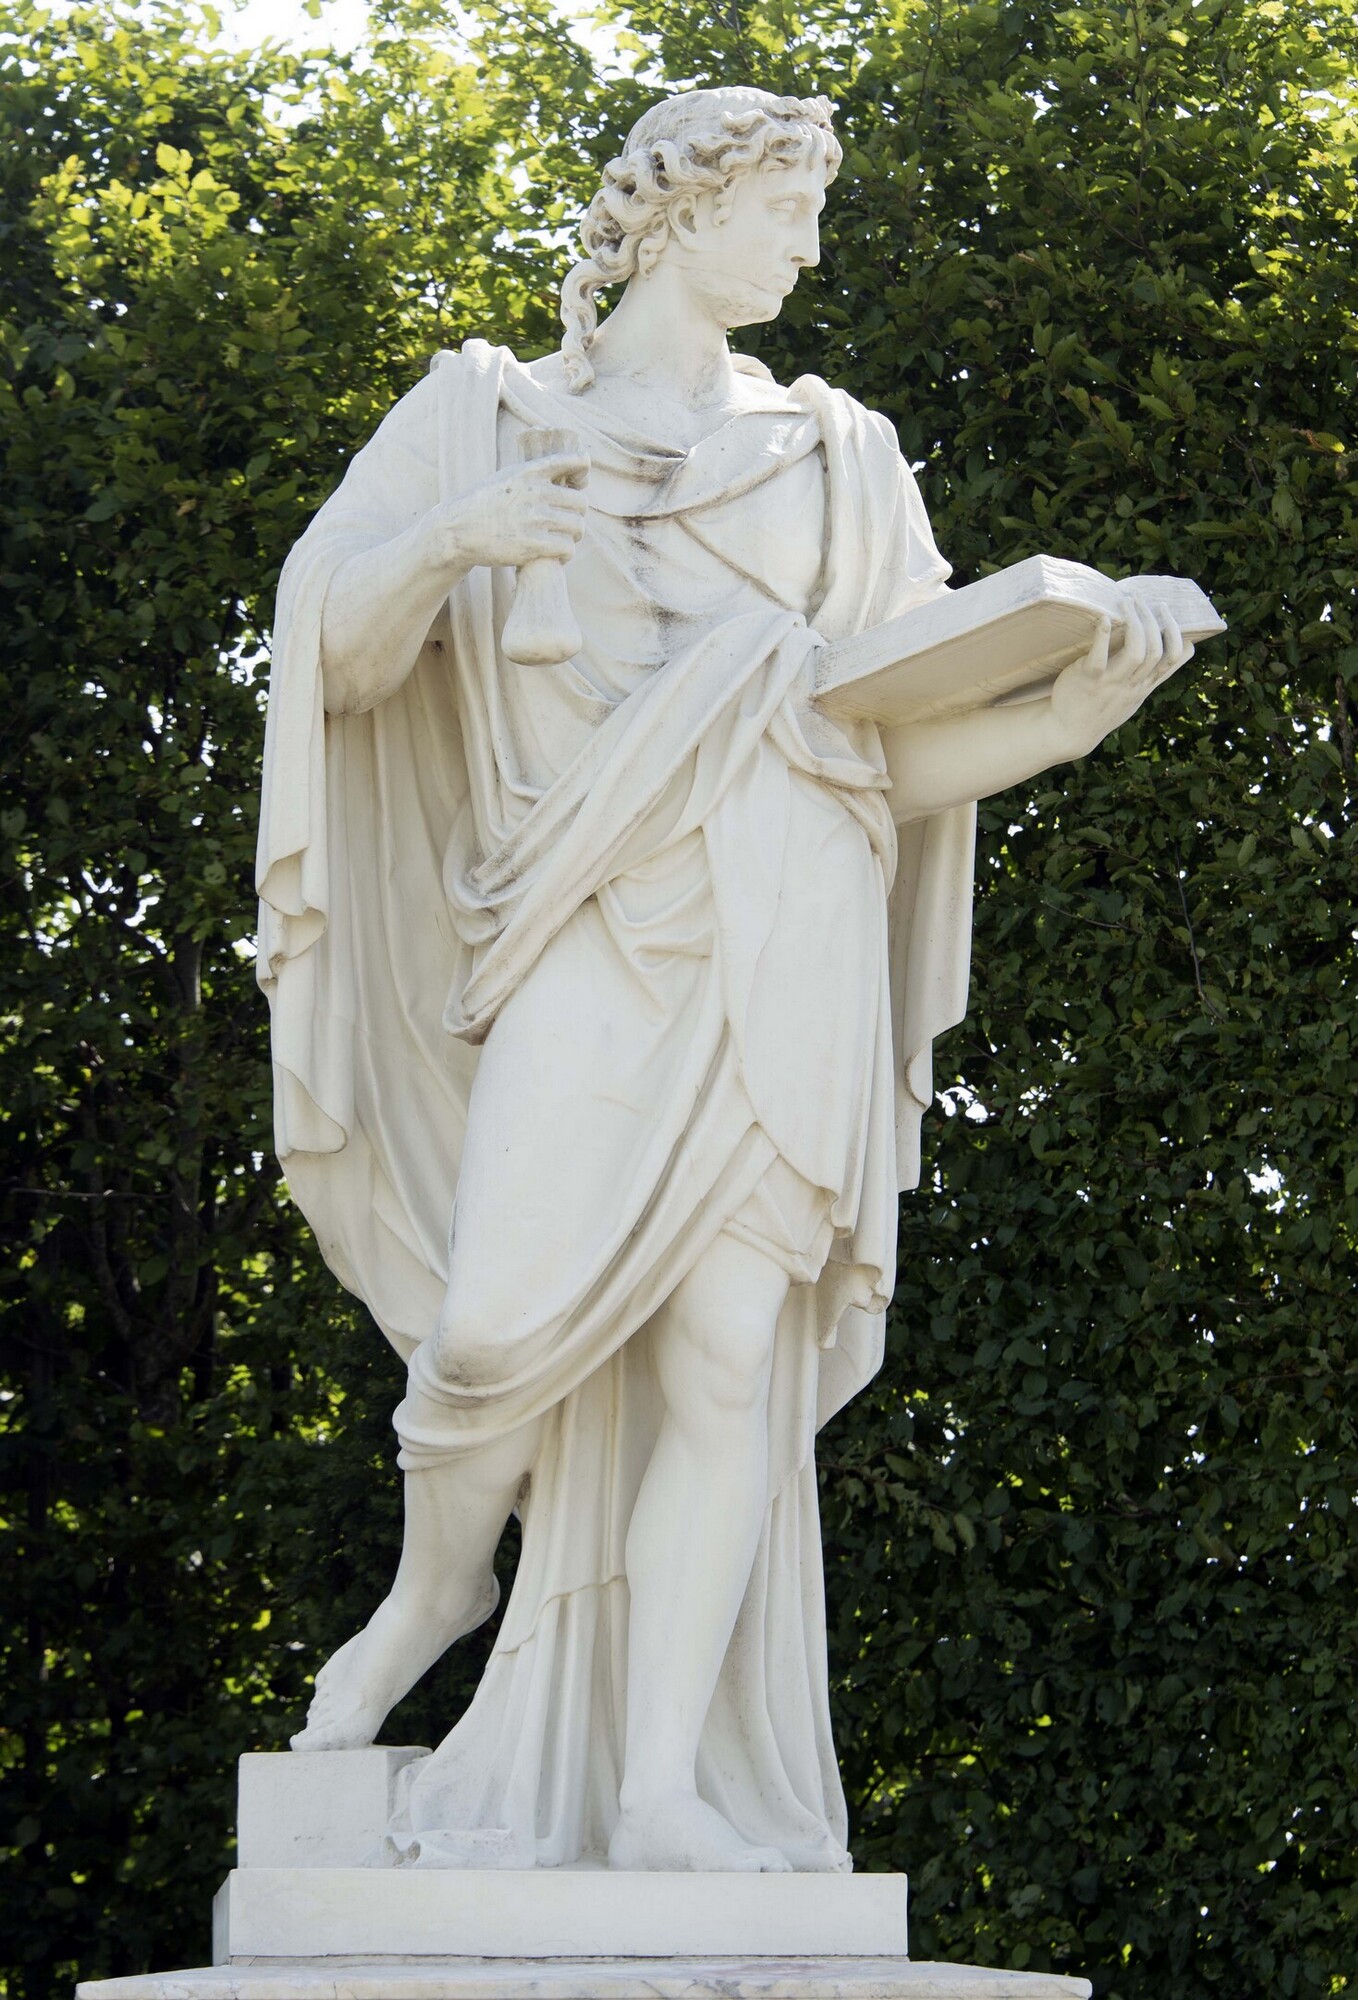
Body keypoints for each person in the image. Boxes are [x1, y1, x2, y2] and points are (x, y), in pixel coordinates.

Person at [257, 85, 1191, 1873]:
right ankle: (430, 1598)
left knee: (721, 1373)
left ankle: (659, 1785)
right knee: (489, 1336)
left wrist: (1064, 719)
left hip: (790, 930)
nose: (811, 250)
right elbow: (336, 660)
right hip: (582, 925)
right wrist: (458, 540)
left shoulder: (844, 455)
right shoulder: (484, 414)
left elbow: (874, 761)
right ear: (686, 212)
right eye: (787, 212)